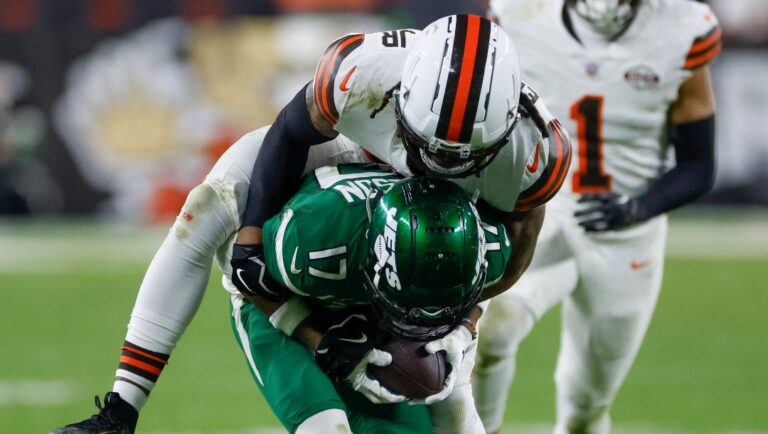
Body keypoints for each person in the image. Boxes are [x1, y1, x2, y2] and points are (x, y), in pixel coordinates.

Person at [472, 0, 720, 432]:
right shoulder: (521, 14)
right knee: (493, 330)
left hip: (628, 236)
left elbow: (698, 166)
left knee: (585, 409)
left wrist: (639, 207)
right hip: (546, 213)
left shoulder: (680, 28)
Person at [229, 13, 572, 325]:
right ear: (400, 95)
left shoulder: (534, 153)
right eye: (431, 147)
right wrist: (252, 233)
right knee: (212, 203)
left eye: (460, 157)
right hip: (356, 163)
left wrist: (458, 316)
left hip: (451, 231)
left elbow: (516, 251)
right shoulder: (363, 75)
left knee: (441, 381)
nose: (442, 166)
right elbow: (290, 130)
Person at [49, 127, 368, 434]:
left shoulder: (406, 159)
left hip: (384, 312)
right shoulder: (283, 153)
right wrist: (124, 405)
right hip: (275, 300)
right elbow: (194, 242)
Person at [236, 167, 513, 433]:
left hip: (371, 310)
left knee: (459, 422)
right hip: (280, 301)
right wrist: (313, 336)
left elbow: (487, 285)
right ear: (381, 255)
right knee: (325, 428)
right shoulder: (310, 243)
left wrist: (464, 329)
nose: (422, 319)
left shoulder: (489, 245)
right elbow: (245, 275)